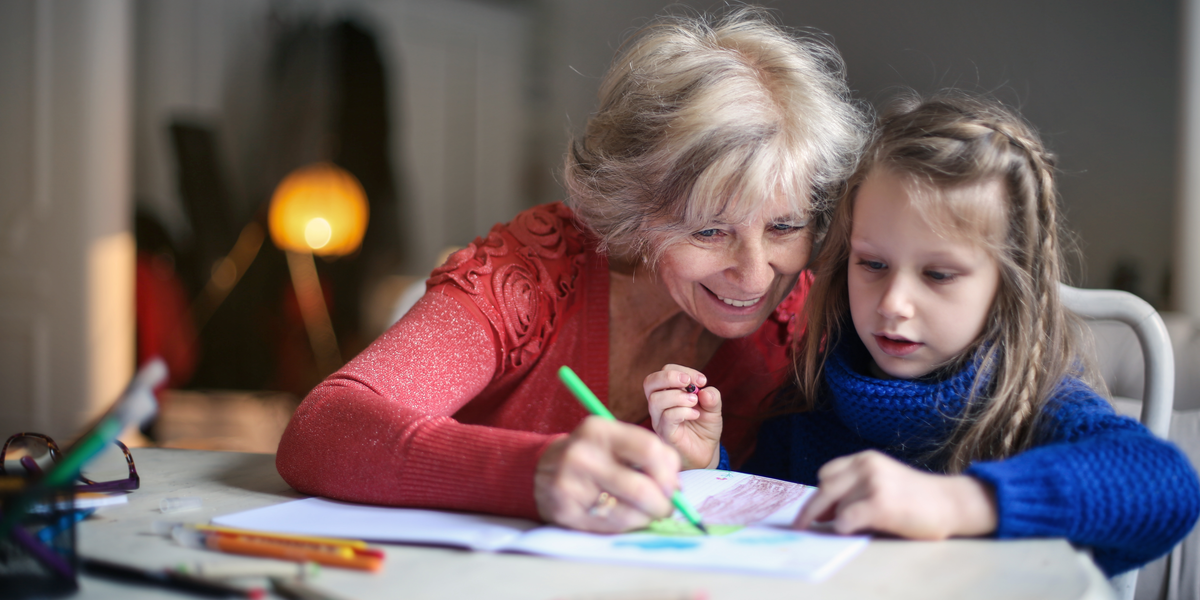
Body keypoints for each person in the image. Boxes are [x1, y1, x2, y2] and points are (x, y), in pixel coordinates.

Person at [275, 7, 868, 533]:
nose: (757, 276)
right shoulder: (535, 270)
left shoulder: (800, 318)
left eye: (785, 228)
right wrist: (530, 473)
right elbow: (323, 431)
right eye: (710, 230)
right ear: (635, 210)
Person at [645, 93, 1200, 575]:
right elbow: (766, 543)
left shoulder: (1031, 408)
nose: (893, 303)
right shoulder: (811, 400)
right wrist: (710, 471)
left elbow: (1166, 485)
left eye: (938, 274)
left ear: (1008, 286)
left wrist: (957, 504)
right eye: (873, 265)